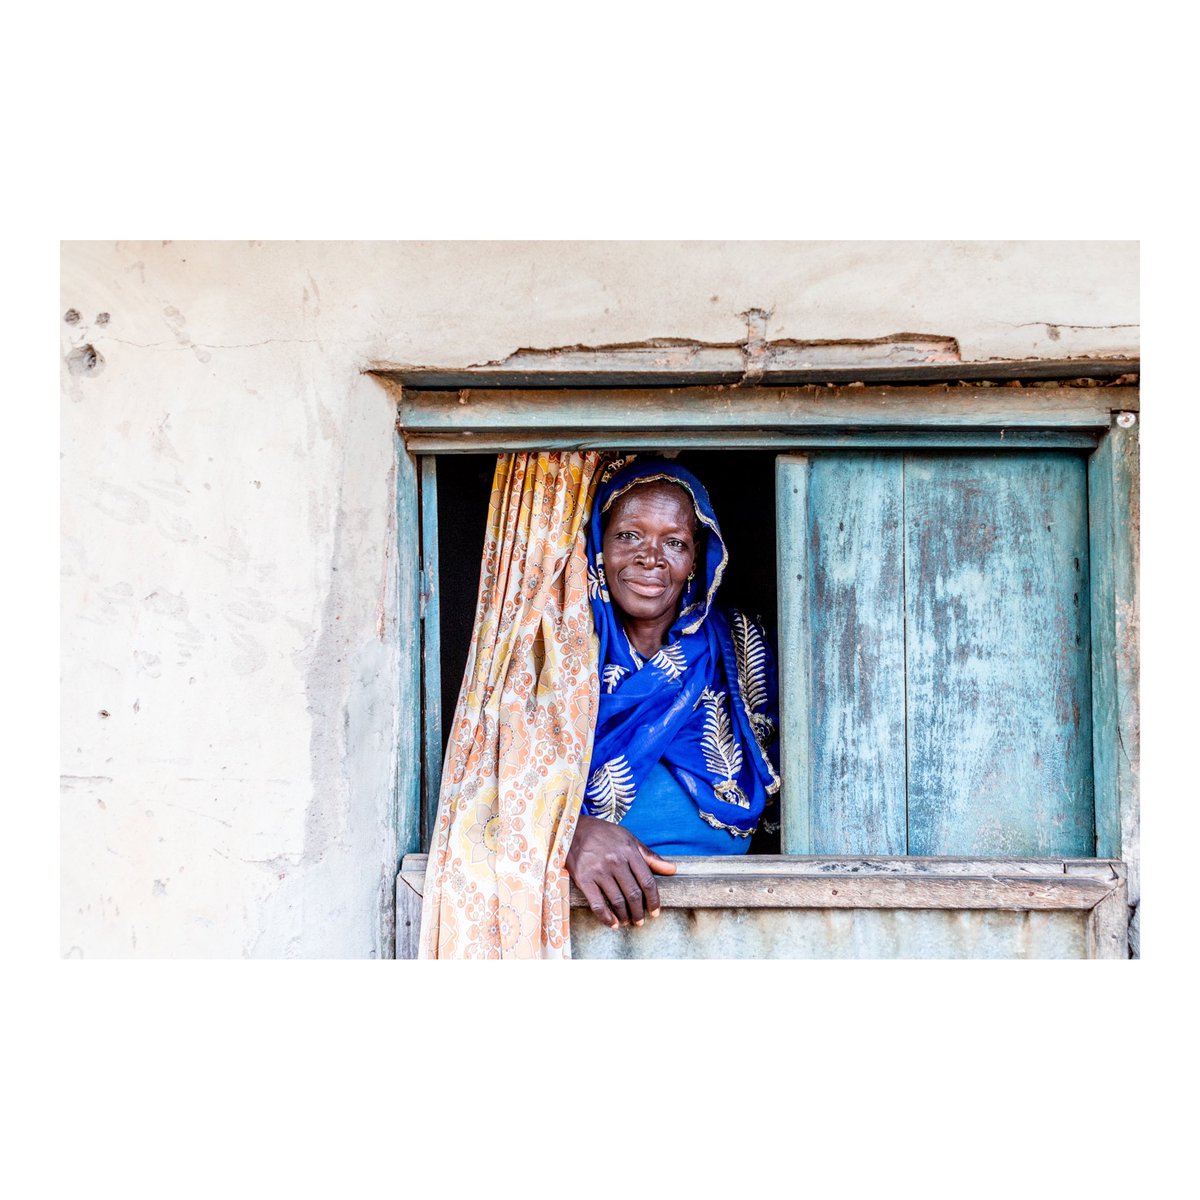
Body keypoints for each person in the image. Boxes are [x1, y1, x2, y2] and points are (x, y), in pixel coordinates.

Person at [565, 456, 781, 930]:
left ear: (697, 557)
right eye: (628, 535)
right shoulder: (560, 652)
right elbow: (493, 789)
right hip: (583, 919)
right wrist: (570, 834)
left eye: (675, 542)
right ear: (597, 543)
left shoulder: (740, 643)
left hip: (737, 919)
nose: (650, 557)